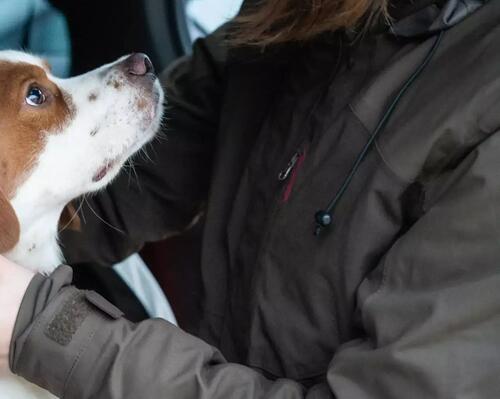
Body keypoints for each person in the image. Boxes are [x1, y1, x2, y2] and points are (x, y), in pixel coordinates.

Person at [1, 0, 500, 397]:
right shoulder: (296, 14)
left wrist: (44, 327)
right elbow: (129, 188)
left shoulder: (483, 115)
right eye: (37, 95)